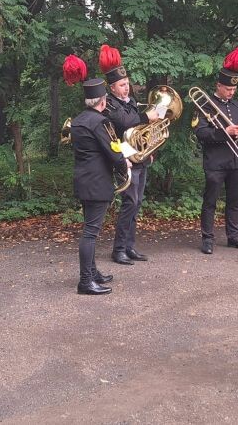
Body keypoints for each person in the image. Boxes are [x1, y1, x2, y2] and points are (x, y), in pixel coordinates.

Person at [62, 54, 130, 295]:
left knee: (90, 228)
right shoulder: (100, 122)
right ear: (103, 101)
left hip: (84, 180)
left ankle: (93, 273)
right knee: (91, 232)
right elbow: (112, 151)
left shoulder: (79, 121)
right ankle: (85, 281)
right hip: (97, 183)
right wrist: (125, 164)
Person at [99, 45, 161, 265]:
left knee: (137, 202)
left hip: (139, 158)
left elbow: (139, 133)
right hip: (124, 160)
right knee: (129, 202)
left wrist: (148, 150)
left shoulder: (131, 102)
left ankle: (130, 246)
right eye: (122, 85)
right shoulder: (110, 105)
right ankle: (119, 250)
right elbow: (125, 124)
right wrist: (147, 116)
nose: (127, 88)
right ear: (112, 88)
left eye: (127, 84)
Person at [194, 46, 238, 254]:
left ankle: (233, 236)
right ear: (219, 85)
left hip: (236, 162)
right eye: (228, 89)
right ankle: (207, 238)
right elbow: (201, 133)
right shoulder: (205, 105)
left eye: (234, 90)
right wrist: (224, 132)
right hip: (215, 162)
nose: (231, 93)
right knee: (210, 201)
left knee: (234, 201)